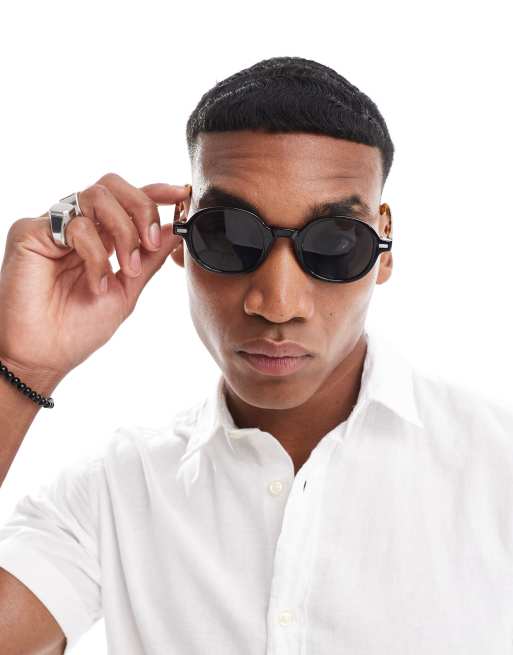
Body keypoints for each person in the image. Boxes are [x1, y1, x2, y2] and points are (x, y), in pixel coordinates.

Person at [0, 56, 511, 655]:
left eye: (336, 243)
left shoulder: (497, 466)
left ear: (384, 244)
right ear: (181, 234)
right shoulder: (115, 492)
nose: (277, 304)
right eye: (229, 234)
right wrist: (20, 367)